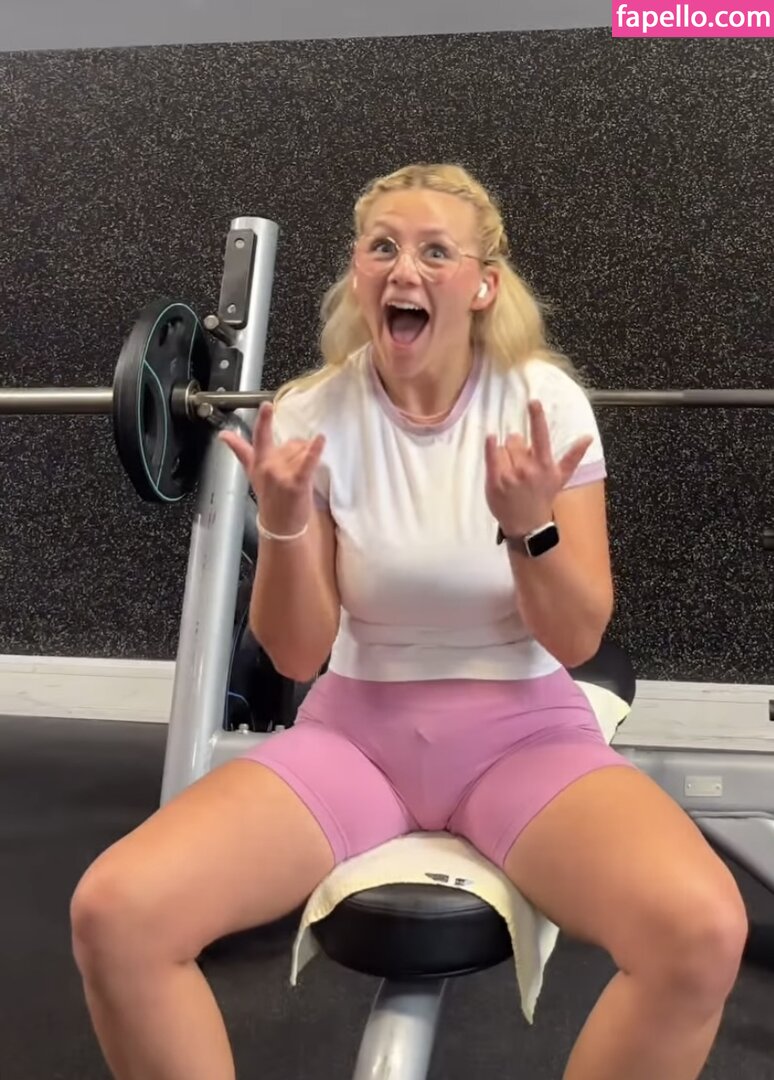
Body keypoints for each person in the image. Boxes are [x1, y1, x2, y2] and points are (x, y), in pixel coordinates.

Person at [71, 163, 747, 1080]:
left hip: (522, 738)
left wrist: (531, 529)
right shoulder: (310, 414)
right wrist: (284, 521)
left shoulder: (540, 404)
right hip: (358, 739)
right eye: (383, 246)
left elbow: (578, 640)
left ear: (482, 285)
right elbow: (298, 653)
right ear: (358, 272)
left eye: (435, 251)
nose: (405, 269)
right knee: (117, 913)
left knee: (701, 930)